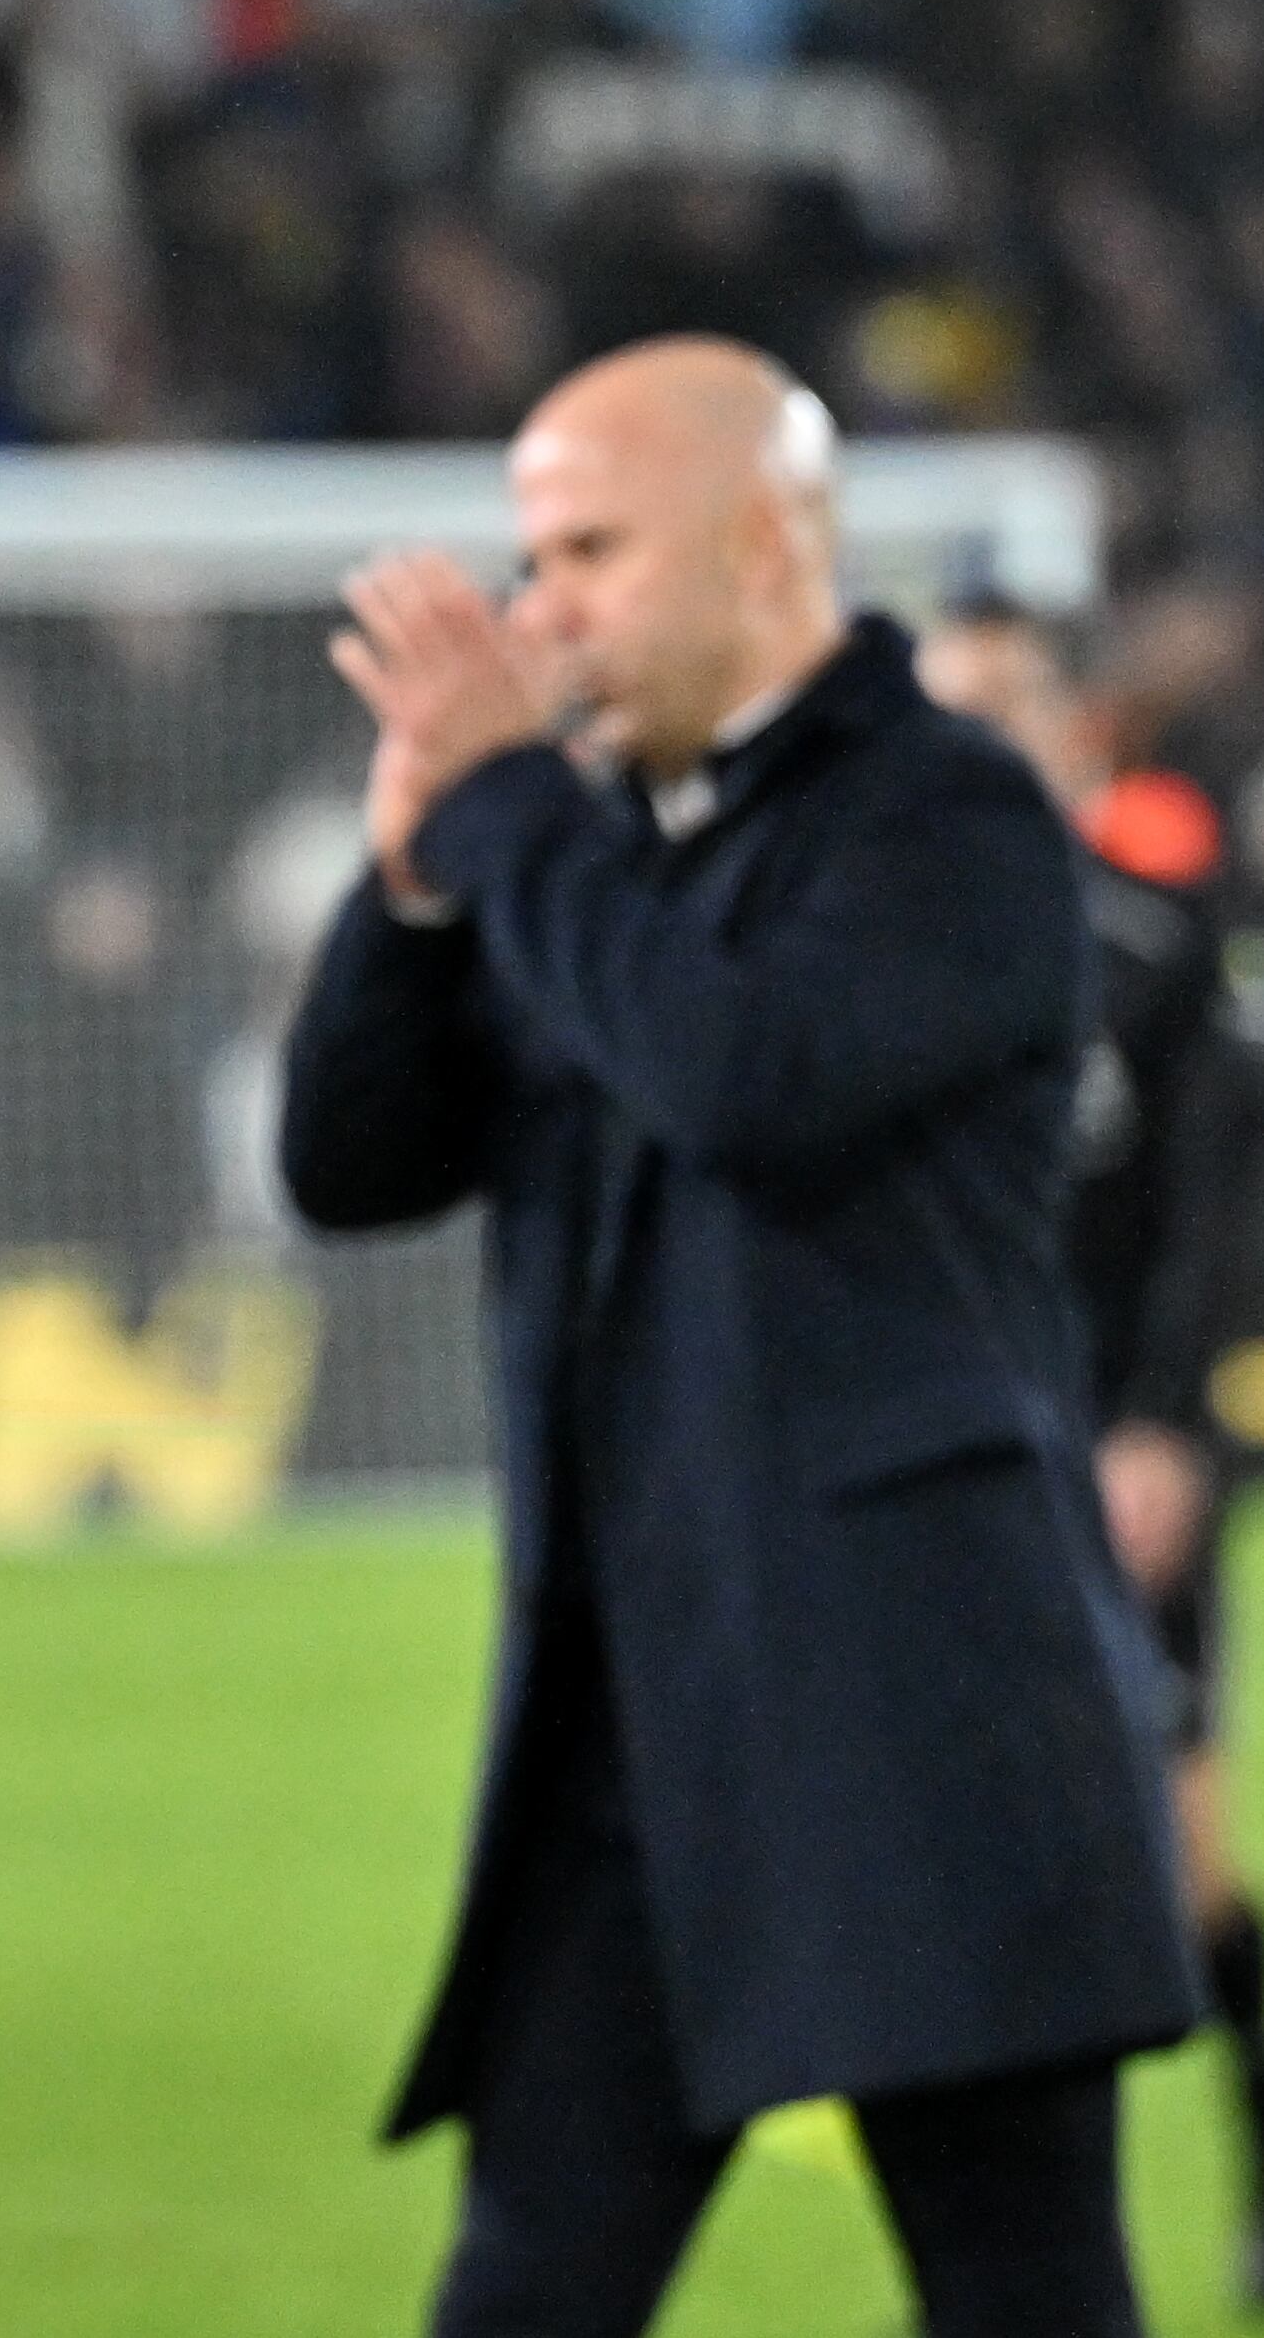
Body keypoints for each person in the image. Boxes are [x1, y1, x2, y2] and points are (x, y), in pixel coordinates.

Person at [280, 337, 1194, 2337]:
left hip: (920, 1702)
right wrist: (419, 865)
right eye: (533, 554)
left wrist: (519, 810)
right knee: (523, 2292)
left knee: (1020, 2288)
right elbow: (345, 1163)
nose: (544, 611)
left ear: (769, 539)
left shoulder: (949, 817)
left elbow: (744, 1074)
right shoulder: (588, 844)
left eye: (592, 546)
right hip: (632, 1726)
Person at [918, 595, 1264, 2292]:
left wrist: (1171, 1429)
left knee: (1178, 1878)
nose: (971, 745)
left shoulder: (1154, 942)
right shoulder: (865, 954)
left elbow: (1217, 1204)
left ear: (1072, 734)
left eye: (1001, 709)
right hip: (935, 1483)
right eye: (942, 713)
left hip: (1120, 1465)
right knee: (970, 1892)